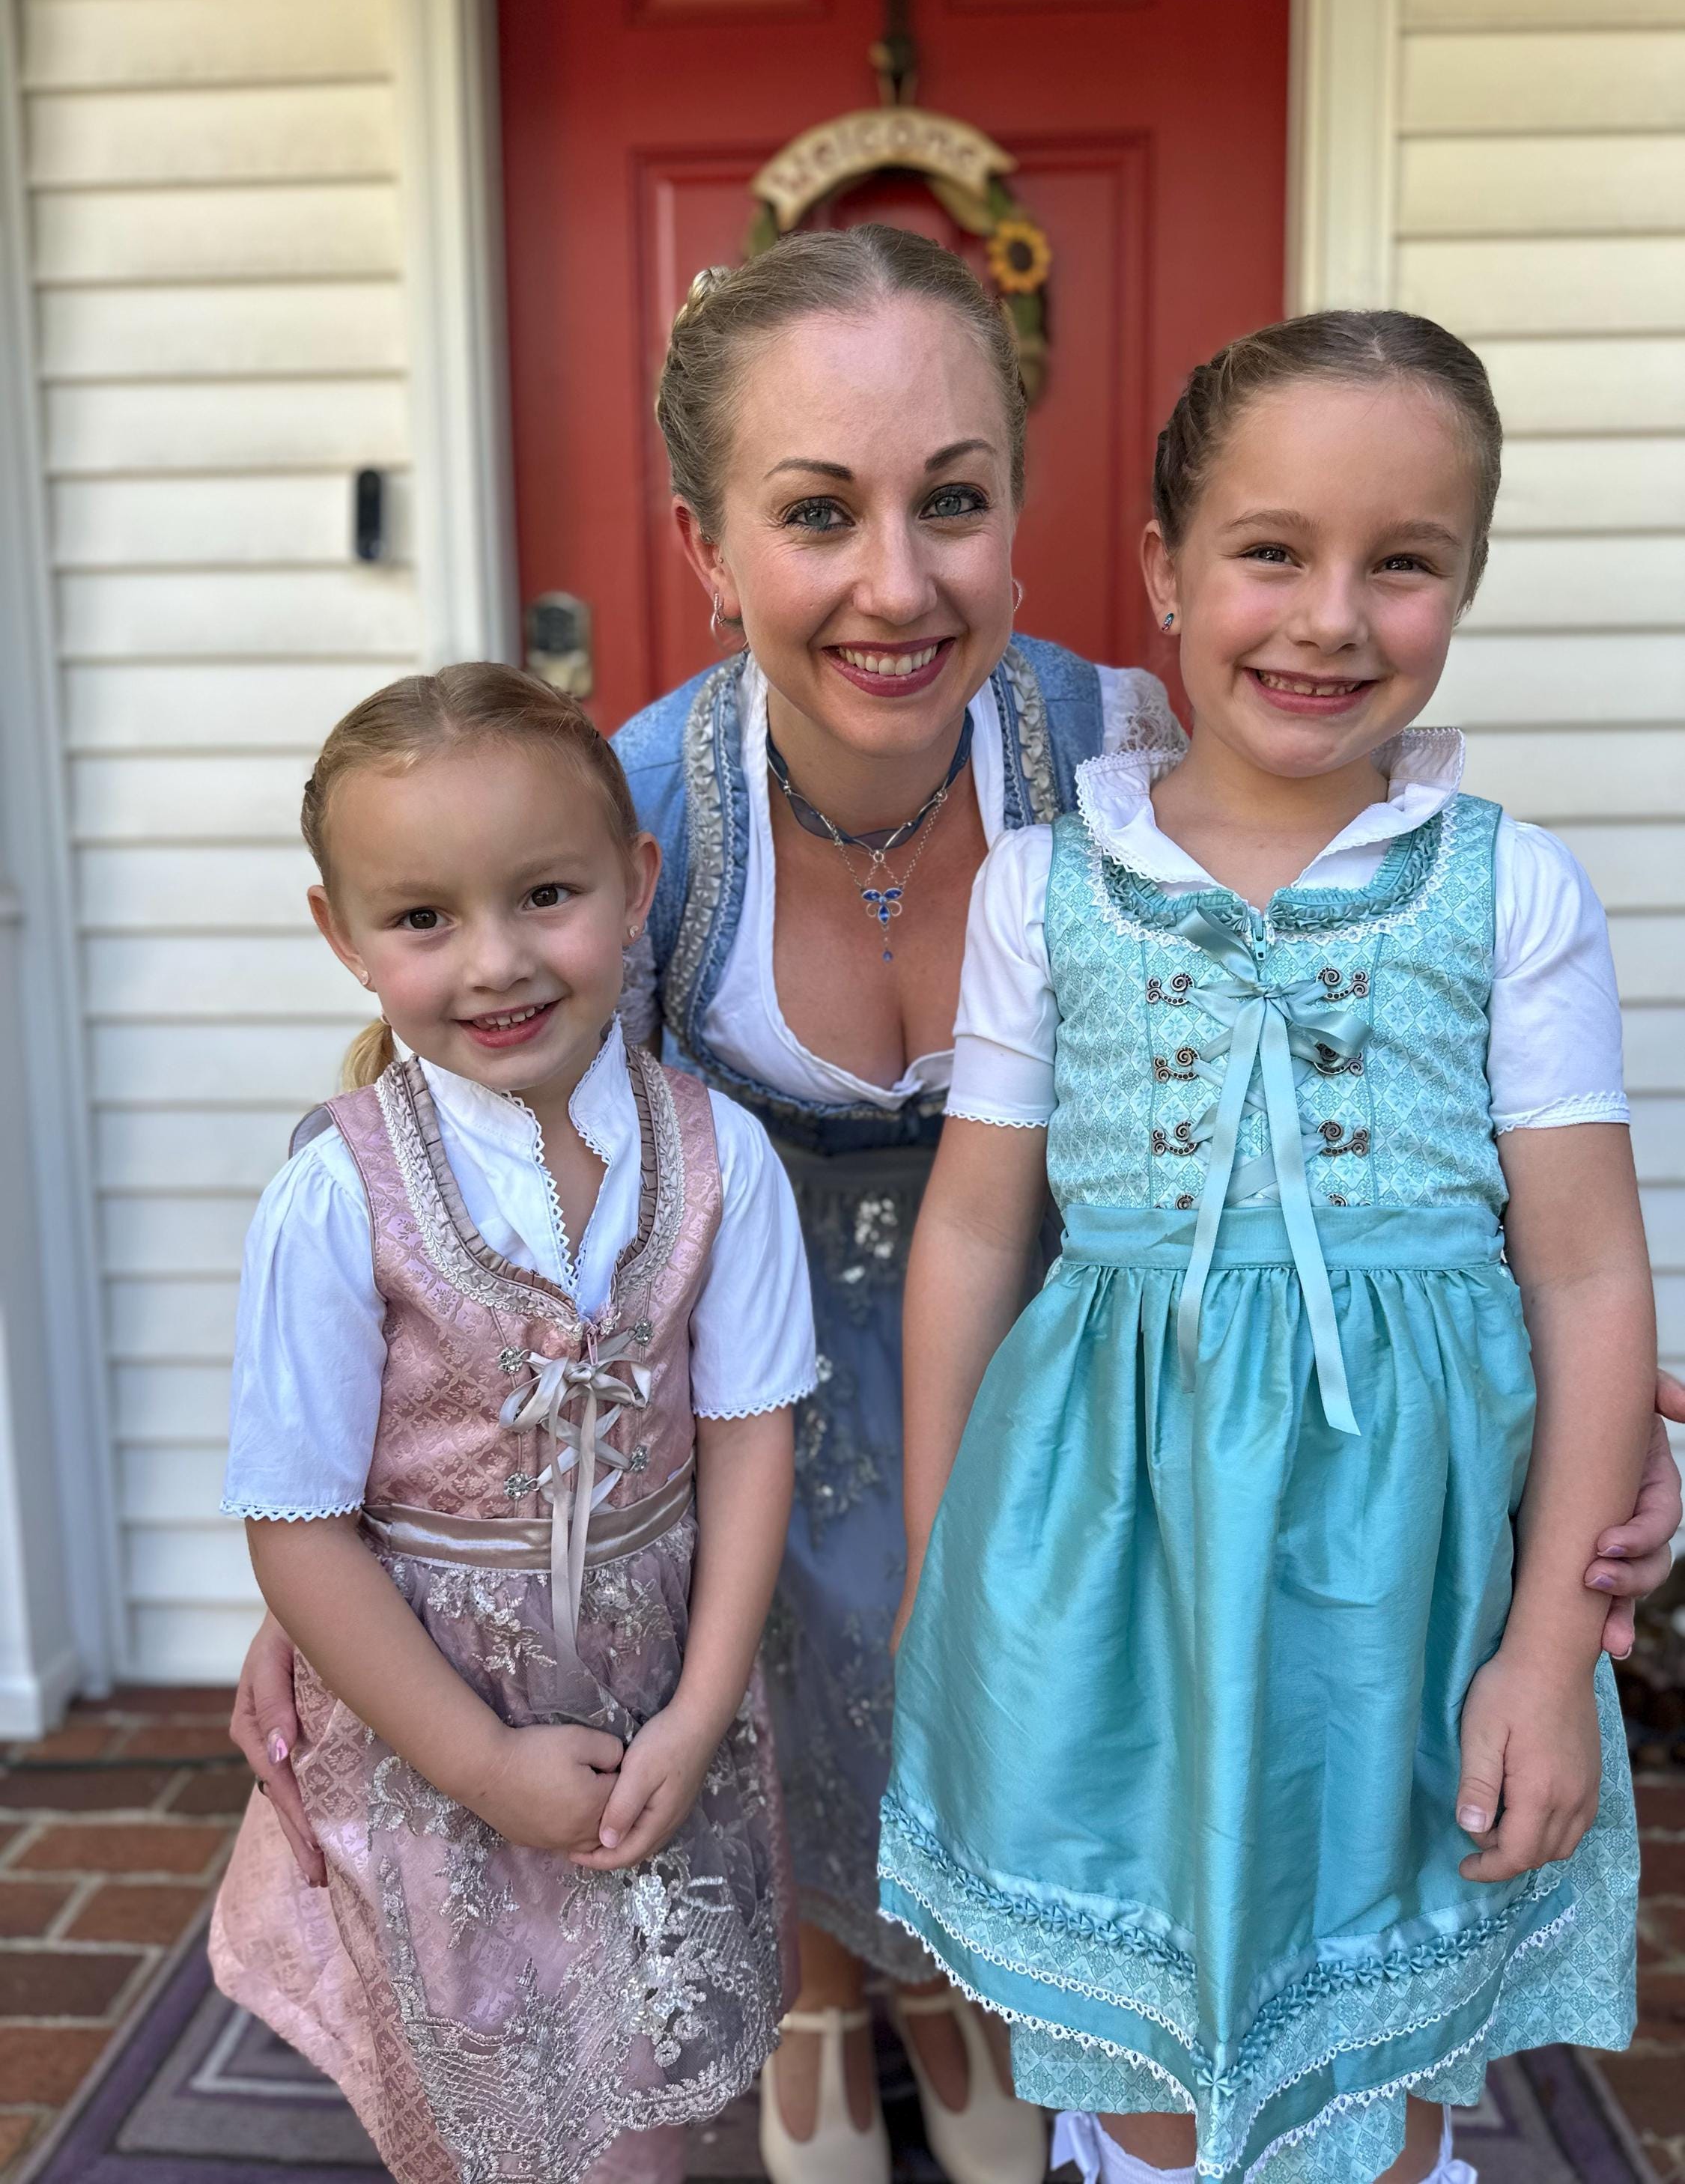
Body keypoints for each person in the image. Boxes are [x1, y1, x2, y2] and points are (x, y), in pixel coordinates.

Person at [228, 228, 1684, 2184]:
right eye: (819, 512)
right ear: (705, 544)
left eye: (954, 502)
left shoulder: (1141, 758)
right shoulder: (630, 823)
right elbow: (461, 1172)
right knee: (780, 1572)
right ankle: (824, 1968)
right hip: (729, 1388)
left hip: (1109, 1393)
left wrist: (1561, 1451)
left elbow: (1402, 1117)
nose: (898, 584)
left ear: (1028, 515)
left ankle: (971, 1976)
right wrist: (360, 1557)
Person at [879, 310, 1657, 2184]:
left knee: (1370, 2055)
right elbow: (974, 1229)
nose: (1330, 618)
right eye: (1273, 551)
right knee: (1140, 2059)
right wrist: (939, 1568)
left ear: (1465, 580)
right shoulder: (1049, 886)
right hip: (1106, 1543)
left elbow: (1585, 1270)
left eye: (1403, 563)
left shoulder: (1510, 889)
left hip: (1409, 1568)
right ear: (1164, 571)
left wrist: (1553, 1649)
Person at [209, 666, 813, 2184]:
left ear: (635, 883)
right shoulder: (337, 1197)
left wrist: (701, 1710)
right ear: (343, 937)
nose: (496, 962)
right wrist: (479, 1763)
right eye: (423, 918)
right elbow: (299, 1527)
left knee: (643, 2091)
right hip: (435, 1726)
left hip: (659, 1692)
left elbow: (749, 1436)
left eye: (546, 894)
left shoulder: (721, 1157)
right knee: (495, 2102)